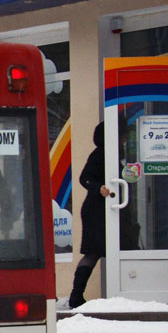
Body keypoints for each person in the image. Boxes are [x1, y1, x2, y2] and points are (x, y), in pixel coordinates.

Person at [69, 123, 110, 308]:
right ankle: (76, 296)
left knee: (108, 250)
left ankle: (77, 296)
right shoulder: (100, 154)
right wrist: (98, 188)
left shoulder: (114, 152)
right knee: (93, 251)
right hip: (96, 210)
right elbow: (84, 178)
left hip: (107, 209)